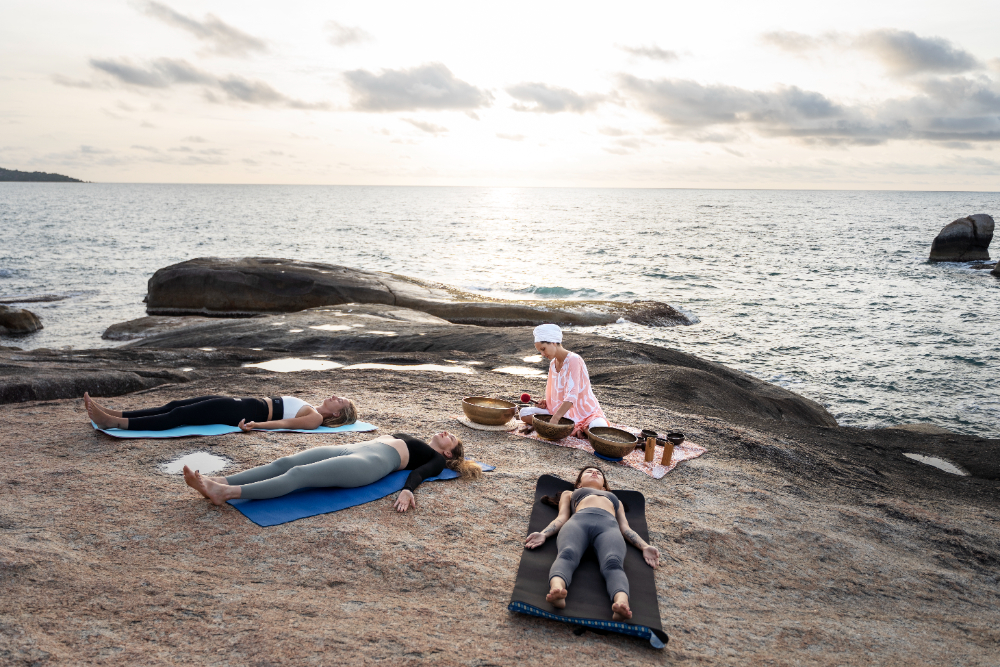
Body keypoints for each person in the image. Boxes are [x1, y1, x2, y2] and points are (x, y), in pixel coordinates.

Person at [183, 431, 482, 510]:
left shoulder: (436, 459)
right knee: (287, 462)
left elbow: (420, 474)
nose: (446, 432)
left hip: (368, 464)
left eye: (451, 438)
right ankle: (218, 480)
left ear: (447, 453)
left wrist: (407, 490)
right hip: (353, 448)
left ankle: (226, 493)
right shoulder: (411, 436)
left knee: (298, 476)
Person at [524, 466, 659, 621]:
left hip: (609, 528)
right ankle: (557, 590)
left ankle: (621, 604)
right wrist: (543, 534)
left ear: (604, 486)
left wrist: (645, 546)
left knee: (613, 563)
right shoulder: (570, 493)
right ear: (579, 485)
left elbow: (625, 528)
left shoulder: (616, 500)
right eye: (589, 472)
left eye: (599, 473)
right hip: (578, 523)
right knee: (567, 554)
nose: (594, 473)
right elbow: (561, 518)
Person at [84, 392, 358, 432]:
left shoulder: (316, 418)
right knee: (175, 406)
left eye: (340, 401)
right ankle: (115, 411)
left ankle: (113, 423)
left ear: (336, 415)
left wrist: (254, 426)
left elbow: (285, 423)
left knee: (179, 416)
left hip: (242, 411)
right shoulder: (314, 407)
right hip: (241, 402)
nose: (334, 397)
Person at [518, 323, 609, 437]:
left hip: (584, 413)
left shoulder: (574, 359)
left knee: (599, 429)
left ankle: (577, 427)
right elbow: (556, 392)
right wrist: (547, 402)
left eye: (543, 349)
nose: (542, 354)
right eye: (540, 351)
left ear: (553, 342)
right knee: (524, 413)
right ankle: (571, 428)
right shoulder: (552, 364)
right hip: (560, 411)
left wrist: (555, 419)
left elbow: (572, 395)